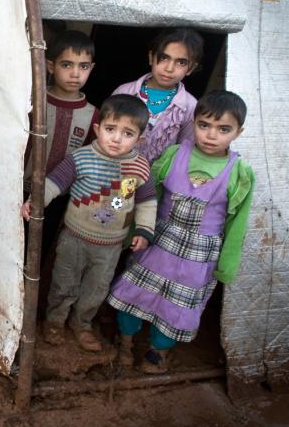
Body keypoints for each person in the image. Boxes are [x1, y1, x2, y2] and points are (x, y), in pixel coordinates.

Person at [107, 90, 255, 374]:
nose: (212, 135)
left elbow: (238, 223)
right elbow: (147, 194)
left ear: (239, 132)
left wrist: (227, 264)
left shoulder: (240, 173)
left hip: (197, 259)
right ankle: (124, 342)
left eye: (223, 129)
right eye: (204, 125)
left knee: (177, 306)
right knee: (134, 292)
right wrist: (130, 229)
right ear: (194, 122)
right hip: (157, 243)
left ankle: (157, 352)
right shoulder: (174, 155)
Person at [22, 94, 157, 351]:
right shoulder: (81, 158)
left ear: (140, 139)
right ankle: (54, 321)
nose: (116, 138)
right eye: (110, 129)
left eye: (127, 133)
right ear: (97, 129)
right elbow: (54, 182)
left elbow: (147, 201)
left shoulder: (139, 167)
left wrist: (144, 230)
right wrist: (35, 201)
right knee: (64, 282)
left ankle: (82, 324)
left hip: (110, 246)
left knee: (96, 289)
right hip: (73, 238)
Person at [23, 30, 100, 252]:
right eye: (66, 65)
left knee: (39, 248)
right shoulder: (32, 101)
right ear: (50, 66)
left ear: (91, 69)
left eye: (83, 66)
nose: (75, 73)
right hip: (20, 188)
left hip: (58, 198)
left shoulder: (93, 115)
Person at [113, 28, 204, 163]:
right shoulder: (125, 91)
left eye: (181, 62)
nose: (169, 68)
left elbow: (184, 152)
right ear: (151, 57)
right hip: (111, 171)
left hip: (155, 180)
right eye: (164, 58)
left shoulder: (190, 106)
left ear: (190, 68)